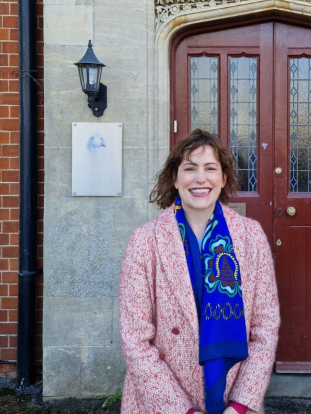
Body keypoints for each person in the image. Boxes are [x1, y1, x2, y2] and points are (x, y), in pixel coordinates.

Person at [119, 129, 280, 414]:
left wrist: (241, 405)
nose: (200, 178)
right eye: (190, 168)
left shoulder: (251, 236)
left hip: (232, 400)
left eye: (210, 168)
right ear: (175, 177)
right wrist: (182, 410)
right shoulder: (145, 240)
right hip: (161, 404)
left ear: (223, 178)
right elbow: (135, 338)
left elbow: (265, 328)